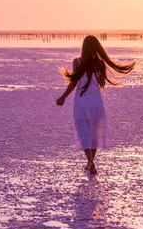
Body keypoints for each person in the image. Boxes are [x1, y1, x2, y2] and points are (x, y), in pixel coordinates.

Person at [56, 35, 135, 174]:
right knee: (94, 132)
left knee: (84, 131)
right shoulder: (100, 63)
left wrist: (63, 97)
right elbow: (102, 83)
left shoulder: (77, 62)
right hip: (96, 102)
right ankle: (91, 162)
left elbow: (74, 83)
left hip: (81, 102)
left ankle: (90, 162)